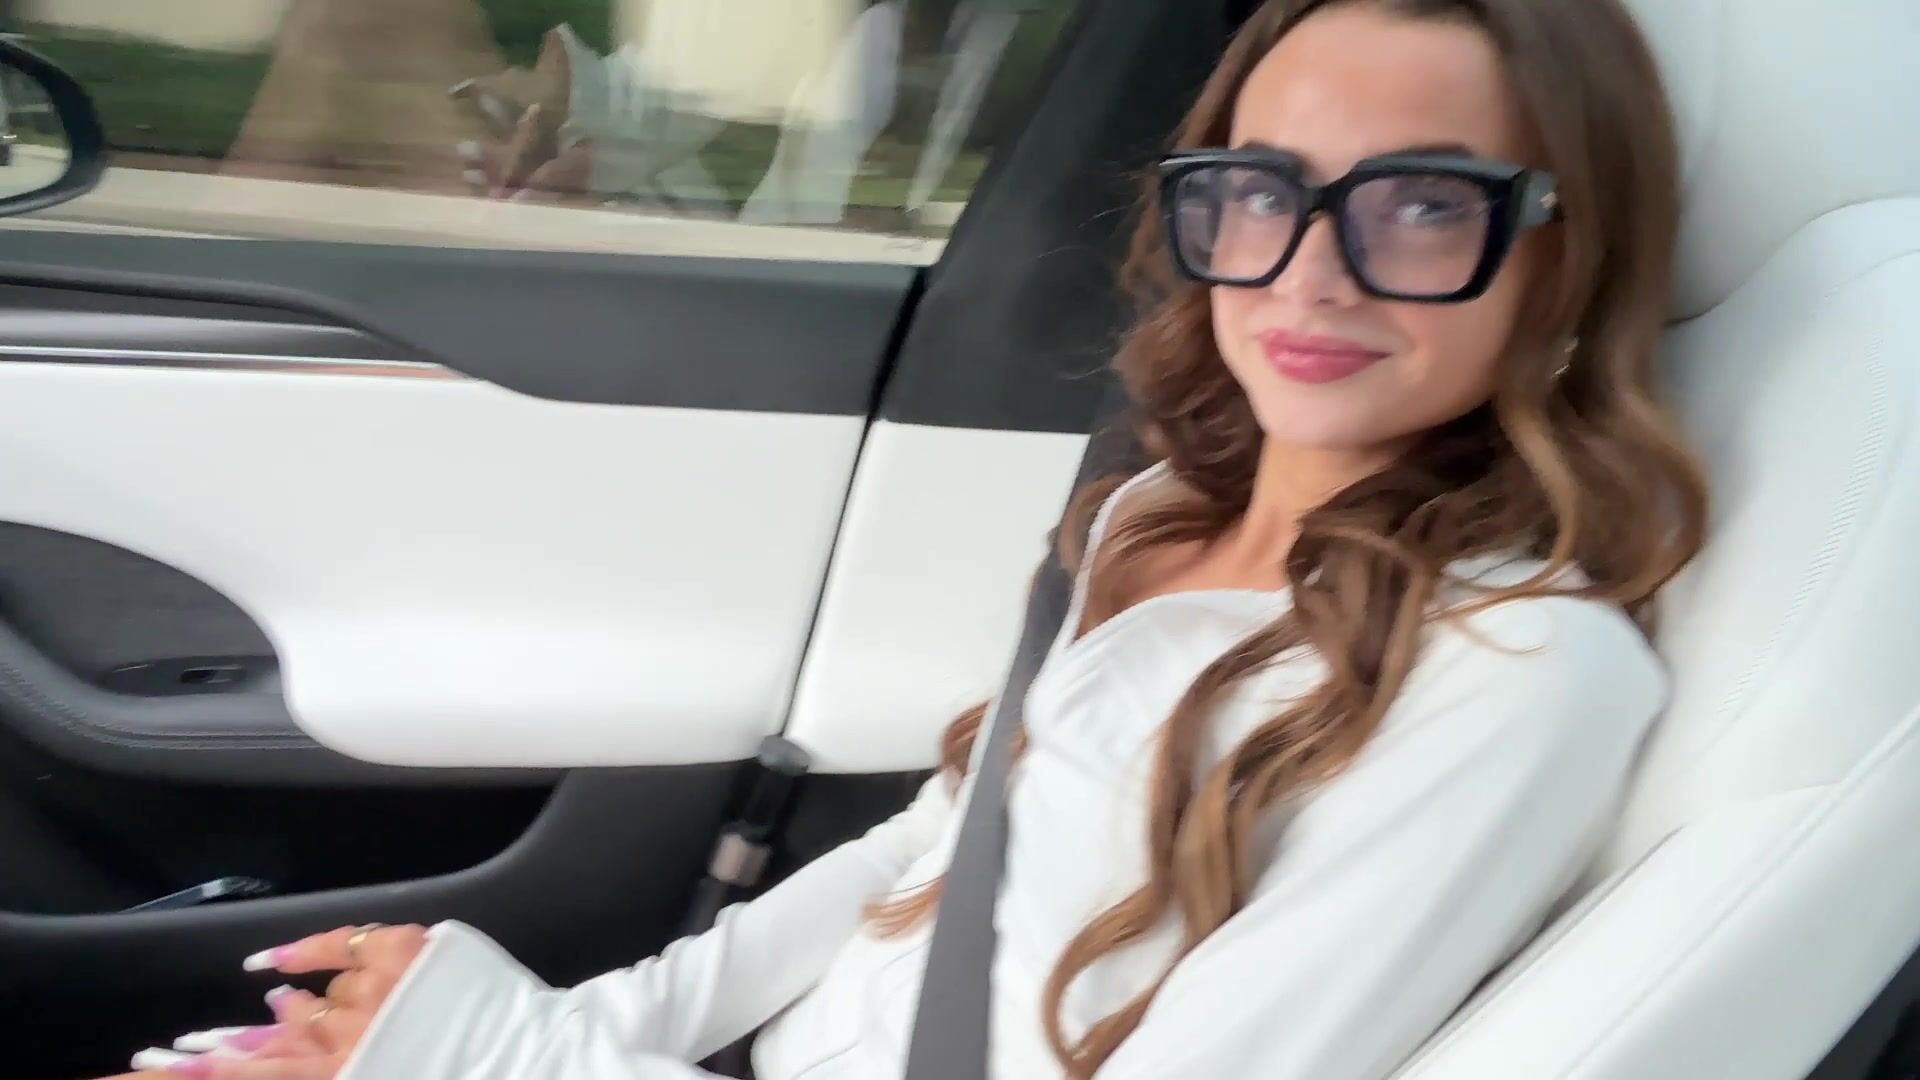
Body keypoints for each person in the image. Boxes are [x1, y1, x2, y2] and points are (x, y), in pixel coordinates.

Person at [109, 0, 1709, 1076]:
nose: (1309, 269)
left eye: (1424, 204)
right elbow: (928, 857)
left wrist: (502, 1058)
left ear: (1565, 255)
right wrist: (580, 1029)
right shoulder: (1159, 512)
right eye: (1260, 189)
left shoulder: (1512, 674)